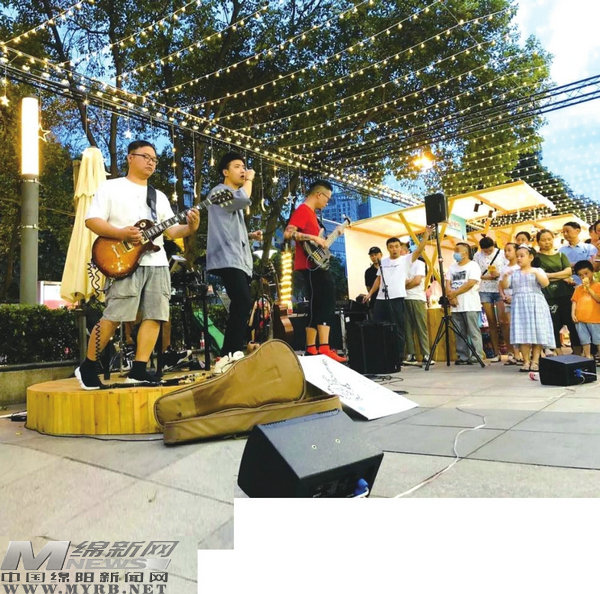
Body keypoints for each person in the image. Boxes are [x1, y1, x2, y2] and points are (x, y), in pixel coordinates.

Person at [75, 140, 200, 390]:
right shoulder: (111, 187)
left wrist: (190, 228)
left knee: (156, 315)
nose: (151, 162)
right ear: (130, 158)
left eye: (154, 159)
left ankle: (139, 369)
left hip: (157, 262)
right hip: (122, 260)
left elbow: (171, 230)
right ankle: (88, 366)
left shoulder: (158, 196)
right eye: (146, 157)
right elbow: (92, 220)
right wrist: (121, 233)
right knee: (114, 315)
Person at [206, 152, 263, 359]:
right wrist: (250, 180)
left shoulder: (231, 197)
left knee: (241, 303)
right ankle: (230, 352)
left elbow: (228, 229)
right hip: (228, 258)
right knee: (242, 301)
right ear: (225, 172)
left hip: (237, 259)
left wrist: (249, 235)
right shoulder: (218, 191)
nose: (243, 170)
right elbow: (243, 198)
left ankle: (230, 352)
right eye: (237, 166)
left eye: (244, 167)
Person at [284, 180, 347, 362]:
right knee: (325, 302)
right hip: (310, 266)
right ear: (319, 194)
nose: (327, 202)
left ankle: (313, 348)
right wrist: (312, 237)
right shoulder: (303, 211)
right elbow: (288, 233)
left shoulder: (312, 215)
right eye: (327, 198)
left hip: (314, 264)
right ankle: (323, 347)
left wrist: (331, 236)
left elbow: (319, 243)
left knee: (317, 304)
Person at [364, 231, 432, 366]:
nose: (394, 249)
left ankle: (399, 357)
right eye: (391, 247)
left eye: (396, 246)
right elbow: (379, 279)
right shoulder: (383, 261)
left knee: (398, 328)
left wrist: (426, 235)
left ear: (400, 248)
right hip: (381, 298)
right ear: (387, 248)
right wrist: (370, 293)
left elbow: (419, 250)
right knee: (378, 326)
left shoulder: (405, 260)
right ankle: (380, 356)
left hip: (397, 297)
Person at [500, 245, 555, 372]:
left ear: (530, 257)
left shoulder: (537, 270)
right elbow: (505, 286)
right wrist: (505, 277)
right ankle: (526, 361)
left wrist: (536, 273)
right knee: (522, 333)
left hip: (536, 303)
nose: (519, 258)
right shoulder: (514, 273)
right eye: (517, 256)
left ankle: (535, 361)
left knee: (537, 331)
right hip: (519, 304)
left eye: (522, 256)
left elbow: (545, 283)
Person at [534, 229, 576, 355]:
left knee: (572, 323)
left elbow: (568, 272)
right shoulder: (536, 258)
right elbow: (540, 276)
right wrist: (561, 276)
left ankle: (577, 351)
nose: (547, 242)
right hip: (548, 295)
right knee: (553, 324)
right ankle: (558, 352)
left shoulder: (561, 255)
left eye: (549, 239)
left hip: (566, 294)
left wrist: (549, 275)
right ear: (538, 242)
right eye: (543, 240)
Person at [445, 242, 485, 365]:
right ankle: (463, 356)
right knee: (459, 332)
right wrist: (451, 297)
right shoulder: (452, 267)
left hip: (470, 304)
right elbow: (447, 283)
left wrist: (454, 294)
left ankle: (477, 355)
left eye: (457, 250)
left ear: (465, 253)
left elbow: (471, 283)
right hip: (456, 305)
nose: (455, 253)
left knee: (473, 331)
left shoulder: (473, 265)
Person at [473, 236, 507, 362]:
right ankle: (496, 353)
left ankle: (509, 351)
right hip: (484, 290)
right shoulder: (477, 256)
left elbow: (508, 270)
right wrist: (486, 277)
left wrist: (498, 274)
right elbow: (475, 273)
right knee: (491, 322)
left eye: (490, 250)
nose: (487, 252)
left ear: (494, 246)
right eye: (485, 251)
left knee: (503, 321)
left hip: (499, 288)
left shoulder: (502, 253)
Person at [400, 242, 433, 366]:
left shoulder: (419, 264)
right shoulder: (399, 266)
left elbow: (416, 281)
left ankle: (426, 354)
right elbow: (398, 282)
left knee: (421, 327)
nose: (400, 254)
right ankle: (411, 354)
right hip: (404, 298)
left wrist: (405, 284)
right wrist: (406, 283)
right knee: (407, 328)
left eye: (401, 251)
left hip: (417, 298)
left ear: (407, 251)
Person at [498, 242, 523, 365]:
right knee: (511, 327)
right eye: (505, 251)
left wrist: (514, 297)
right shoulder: (504, 268)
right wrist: (503, 296)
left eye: (509, 250)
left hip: (520, 300)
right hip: (507, 300)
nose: (507, 253)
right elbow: (500, 284)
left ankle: (525, 353)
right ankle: (514, 353)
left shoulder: (520, 267)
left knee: (522, 326)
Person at [571, 260, 600, 361]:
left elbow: (598, 299)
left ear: (592, 272)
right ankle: (587, 356)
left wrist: (589, 289)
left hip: (595, 319)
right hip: (580, 319)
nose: (584, 277)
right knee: (584, 339)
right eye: (580, 275)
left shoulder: (598, 285)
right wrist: (573, 313)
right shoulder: (578, 288)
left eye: (586, 273)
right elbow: (574, 301)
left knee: (598, 338)